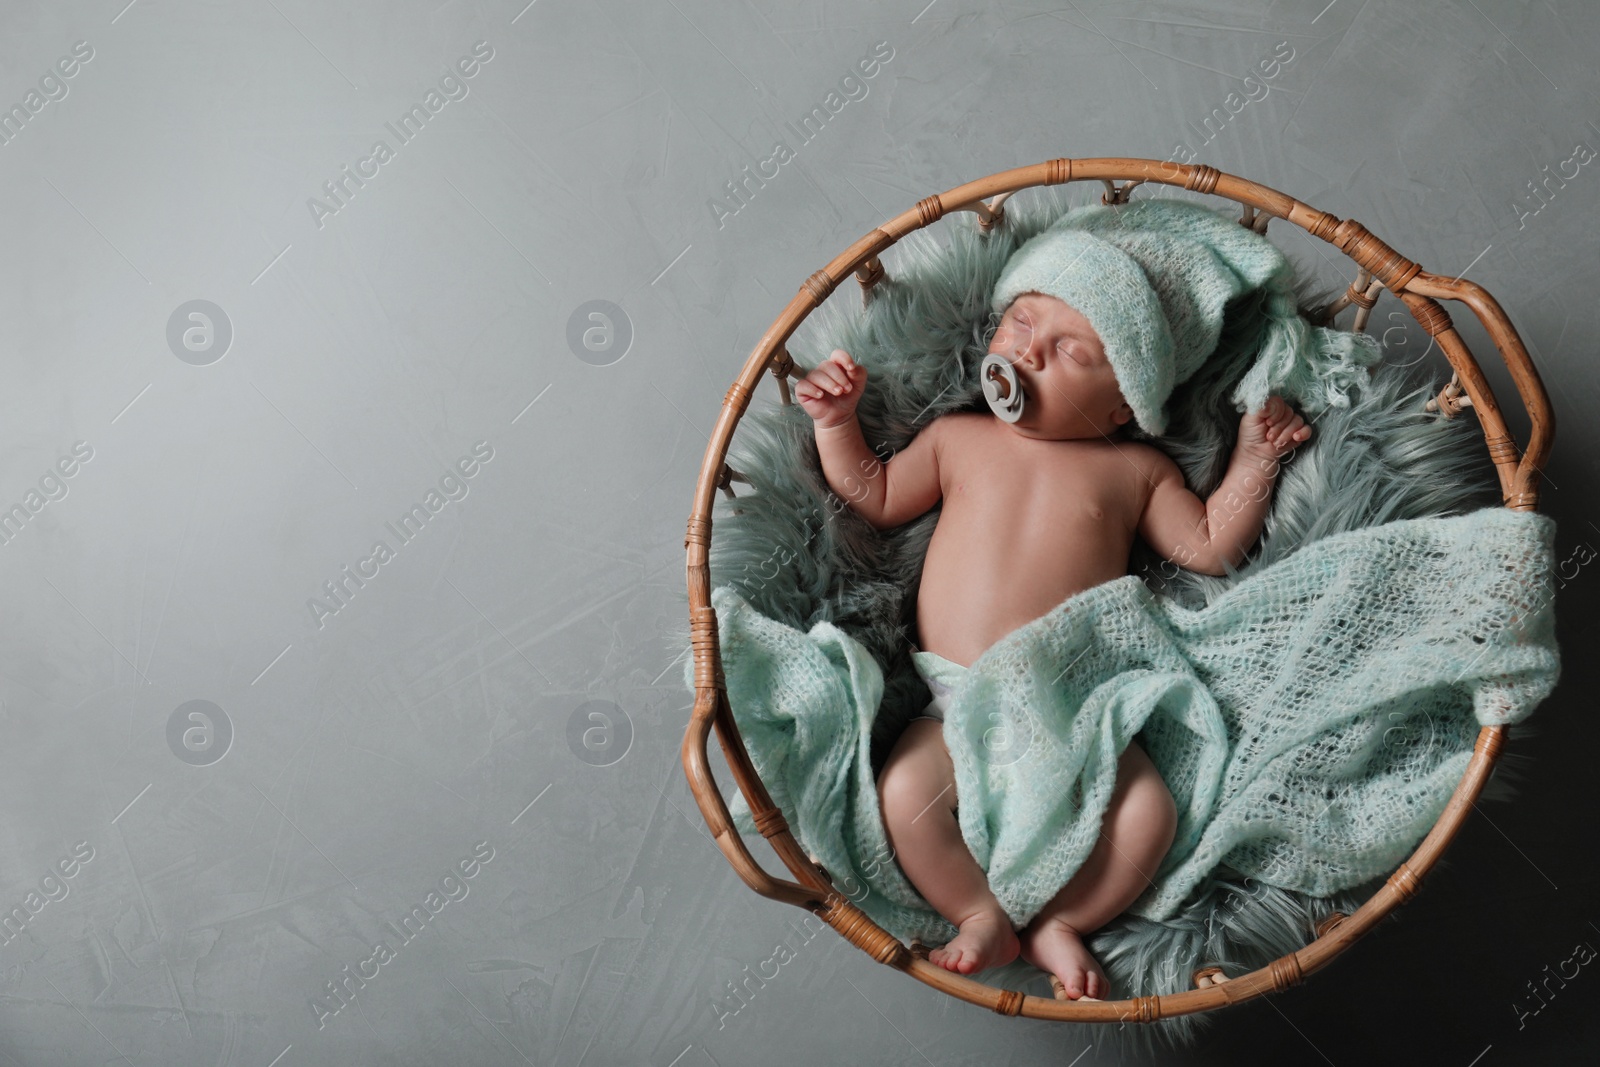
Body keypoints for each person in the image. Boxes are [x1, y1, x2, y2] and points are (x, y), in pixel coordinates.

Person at [793, 199, 1315, 1000]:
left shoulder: (1132, 469)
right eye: (1020, 324)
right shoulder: (958, 439)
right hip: (956, 705)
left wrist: (1253, 459)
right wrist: (835, 422)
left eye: (1068, 348)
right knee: (904, 791)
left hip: (1081, 707)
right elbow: (876, 493)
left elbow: (1210, 545)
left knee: (1149, 813)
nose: (1027, 351)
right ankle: (978, 912)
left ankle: (1063, 919)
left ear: (1122, 405)